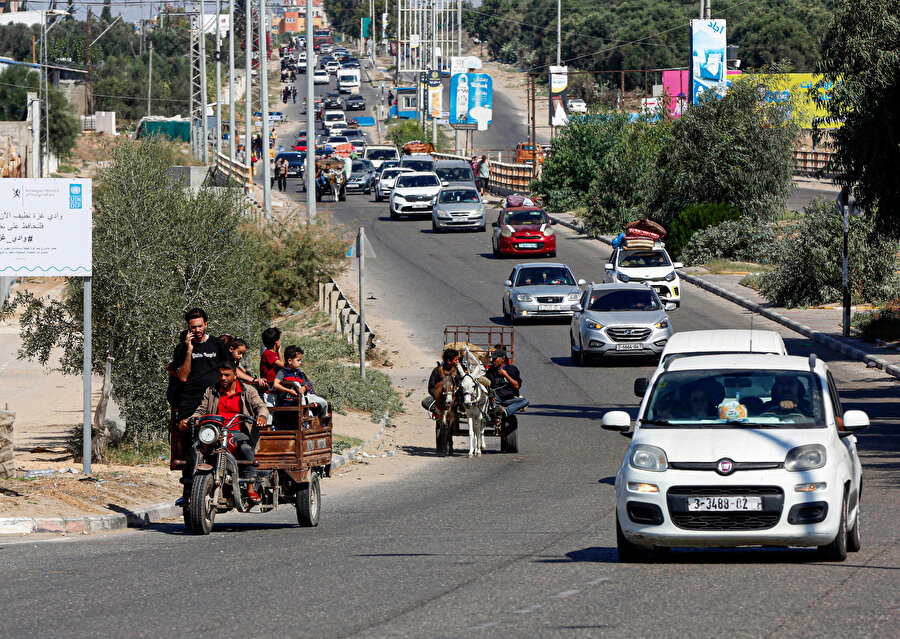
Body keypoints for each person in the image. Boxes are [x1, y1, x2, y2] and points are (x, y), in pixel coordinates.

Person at [181, 361, 269, 504]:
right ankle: (190, 487)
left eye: (227, 375)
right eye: (220, 375)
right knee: (194, 449)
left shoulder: (248, 391)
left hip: (238, 431)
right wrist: (190, 420)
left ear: (235, 375)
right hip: (215, 431)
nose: (223, 378)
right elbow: (201, 411)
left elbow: (261, 406)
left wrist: (262, 416)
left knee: (246, 449)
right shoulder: (211, 391)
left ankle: (251, 488)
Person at [167, 308, 228, 506]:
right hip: (190, 403)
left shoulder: (217, 344)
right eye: (193, 327)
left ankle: (223, 482)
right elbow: (183, 376)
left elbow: (229, 370)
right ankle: (188, 491)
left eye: (200, 326)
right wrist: (189, 351)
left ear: (206, 325)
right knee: (189, 447)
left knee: (222, 441)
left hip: (215, 401)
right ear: (188, 328)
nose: (197, 330)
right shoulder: (182, 349)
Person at [272, 346, 329, 424]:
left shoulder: (300, 373)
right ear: (289, 361)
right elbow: (275, 384)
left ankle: (323, 420)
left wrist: (303, 388)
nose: (300, 362)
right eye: (298, 360)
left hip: (301, 401)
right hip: (287, 403)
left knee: (323, 402)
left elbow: (305, 385)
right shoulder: (283, 372)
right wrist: (289, 390)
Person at [485, 350, 528, 425]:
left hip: (509, 398)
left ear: (503, 359)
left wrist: (505, 374)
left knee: (525, 401)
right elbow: (487, 384)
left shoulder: (512, 369)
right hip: (496, 398)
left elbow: (517, 386)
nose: (493, 361)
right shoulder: (491, 371)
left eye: (495, 359)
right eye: (493, 359)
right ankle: (494, 410)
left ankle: (505, 411)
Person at [422, 348, 461, 415]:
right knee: (425, 402)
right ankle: (440, 413)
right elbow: (431, 388)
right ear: (449, 361)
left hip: (454, 399)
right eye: (456, 360)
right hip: (441, 399)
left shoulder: (458, 371)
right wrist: (438, 396)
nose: (458, 362)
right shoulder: (437, 371)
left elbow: (461, 385)